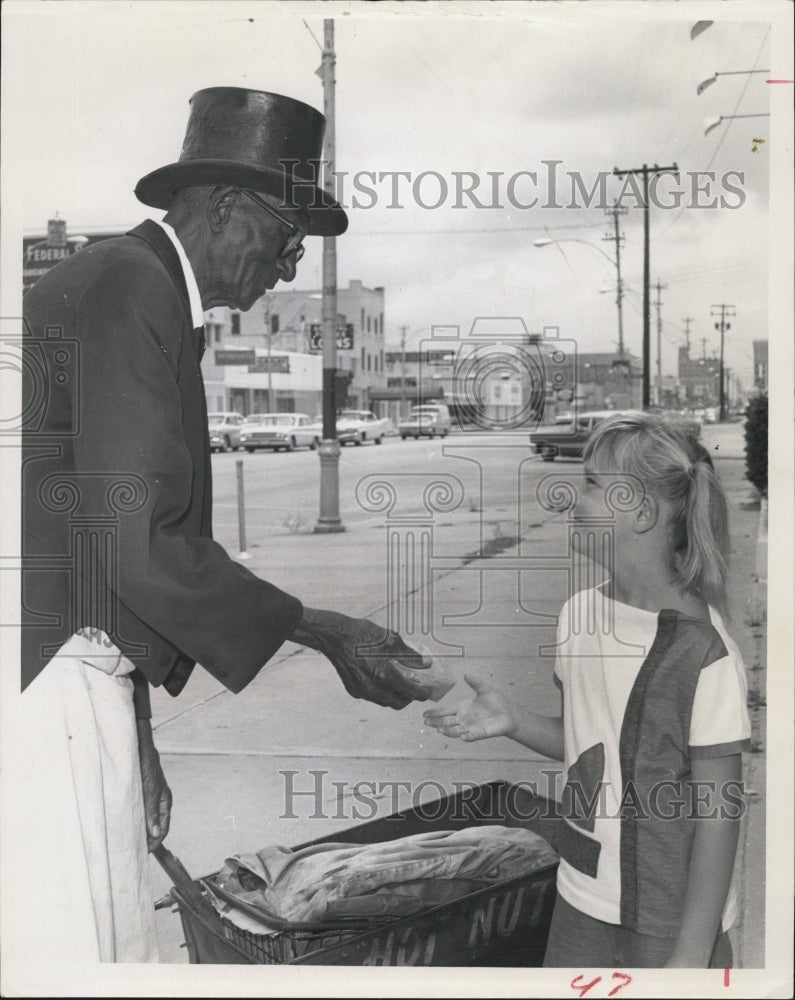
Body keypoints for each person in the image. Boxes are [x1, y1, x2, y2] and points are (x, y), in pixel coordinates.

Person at [17, 88, 431, 964]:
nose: (285, 268)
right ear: (225, 206)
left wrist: (137, 740)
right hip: (46, 687)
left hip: (77, 675)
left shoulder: (132, 282)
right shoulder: (130, 287)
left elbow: (104, 551)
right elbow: (135, 538)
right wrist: (325, 631)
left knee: (110, 941)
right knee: (69, 953)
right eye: (286, 241)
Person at [424, 412, 751, 968]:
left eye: (593, 484)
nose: (573, 498)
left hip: (672, 925)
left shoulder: (703, 652)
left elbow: (720, 812)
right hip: (581, 898)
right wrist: (515, 721)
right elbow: (590, 748)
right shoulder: (579, 616)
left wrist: (690, 958)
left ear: (641, 511)